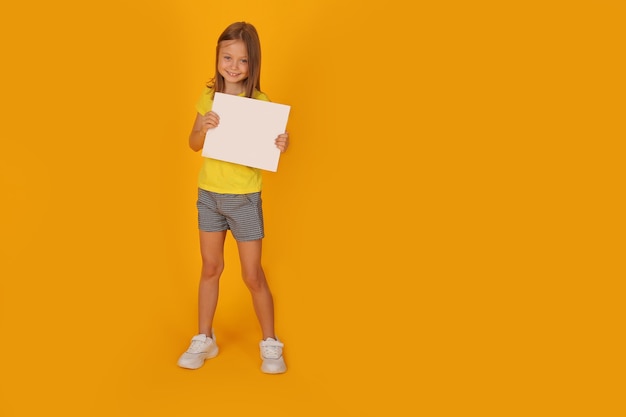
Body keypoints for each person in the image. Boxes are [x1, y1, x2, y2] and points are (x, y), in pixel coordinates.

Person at [177, 21, 289, 374]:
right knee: (210, 268)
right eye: (228, 57)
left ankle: (271, 343)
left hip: (244, 199)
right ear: (218, 57)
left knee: (252, 274)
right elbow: (193, 143)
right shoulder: (209, 97)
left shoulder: (260, 103)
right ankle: (204, 337)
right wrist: (203, 127)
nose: (234, 66)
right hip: (209, 194)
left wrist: (283, 144)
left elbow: (273, 146)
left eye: (242, 61)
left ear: (253, 64)